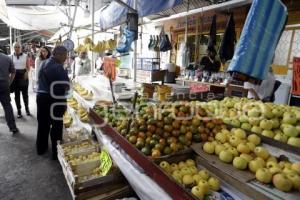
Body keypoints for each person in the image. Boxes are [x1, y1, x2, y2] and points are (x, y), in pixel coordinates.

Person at [36, 46, 70, 160]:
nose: (66, 58)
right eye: (65, 55)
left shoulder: (44, 63)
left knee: (43, 125)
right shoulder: (58, 67)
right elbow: (66, 86)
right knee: (56, 126)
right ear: (58, 54)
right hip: (54, 100)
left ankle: (41, 148)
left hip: (41, 97)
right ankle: (56, 153)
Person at [0, 52, 19, 134]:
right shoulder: (7, 58)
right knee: (7, 106)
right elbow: (13, 72)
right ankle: (12, 127)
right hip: (4, 85)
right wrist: (9, 82)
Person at [10, 42, 30, 117]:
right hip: (15, 76)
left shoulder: (25, 56)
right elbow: (10, 68)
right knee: (17, 95)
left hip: (23, 75)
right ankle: (19, 111)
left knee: (25, 94)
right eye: (15, 47)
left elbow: (28, 67)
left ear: (21, 48)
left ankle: (27, 109)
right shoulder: (10, 57)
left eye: (18, 47)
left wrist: (26, 73)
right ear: (13, 48)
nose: (17, 48)